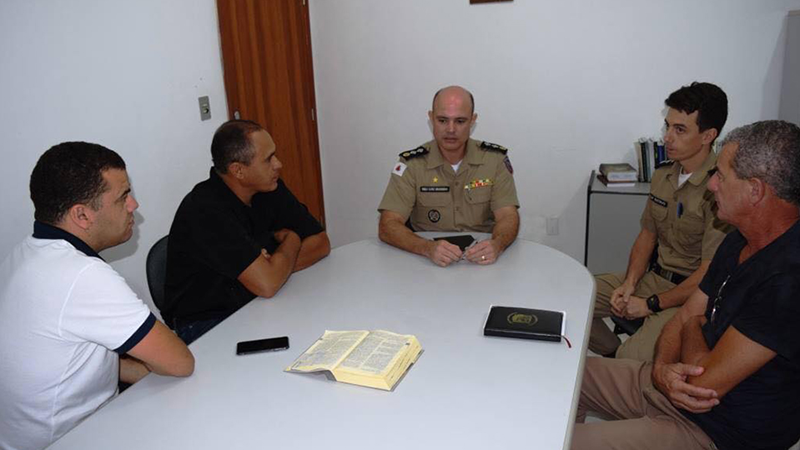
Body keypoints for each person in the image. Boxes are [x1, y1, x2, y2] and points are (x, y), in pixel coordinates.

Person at [572, 120, 800, 450]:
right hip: (672, 390)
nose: (712, 185)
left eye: (721, 176)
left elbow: (703, 382)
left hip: (717, 431)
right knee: (569, 377)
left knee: (556, 443)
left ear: (755, 190)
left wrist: (692, 326)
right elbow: (683, 318)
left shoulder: (789, 277)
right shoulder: (737, 240)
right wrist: (662, 368)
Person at [0, 142, 194, 450]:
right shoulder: (82, 275)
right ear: (82, 215)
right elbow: (180, 362)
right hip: (71, 438)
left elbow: (72, 360)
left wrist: (146, 370)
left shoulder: (25, 253)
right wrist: (155, 367)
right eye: (123, 197)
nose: (134, 205)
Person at [588, 82, 732, 361]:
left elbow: (708, 274)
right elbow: (647, 234)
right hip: (653, 278)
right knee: (572, 299)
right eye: (667, 126)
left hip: (689, 296)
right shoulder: (663, 175)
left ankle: (624, 365)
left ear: (708, 136)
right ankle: (614, 356)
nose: (667, 137)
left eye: (680, 130)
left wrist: (650, 304)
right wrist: (630, 283)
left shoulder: (719, 188)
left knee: (630, 359)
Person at [163, 120, 330, 344]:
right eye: (268, 159)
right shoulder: (205, 209)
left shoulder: (269, 186)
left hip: (258, 302)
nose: (278, 164)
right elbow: (268, 284)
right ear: (238, 170)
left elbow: (321, 242)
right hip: (208, 322)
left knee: (320, 325)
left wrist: (275, 266)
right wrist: (292, 239)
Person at [377, 85, 520, 267]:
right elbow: (388, 225)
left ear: (472, 120)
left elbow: (508, 216)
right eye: (442, 120)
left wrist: (497, 245)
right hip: (426, 261)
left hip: (480, 260)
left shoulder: (494, 160)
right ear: (431, 118)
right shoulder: (412, 164)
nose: (451, 129)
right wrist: (426, 248)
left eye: (460, 121)